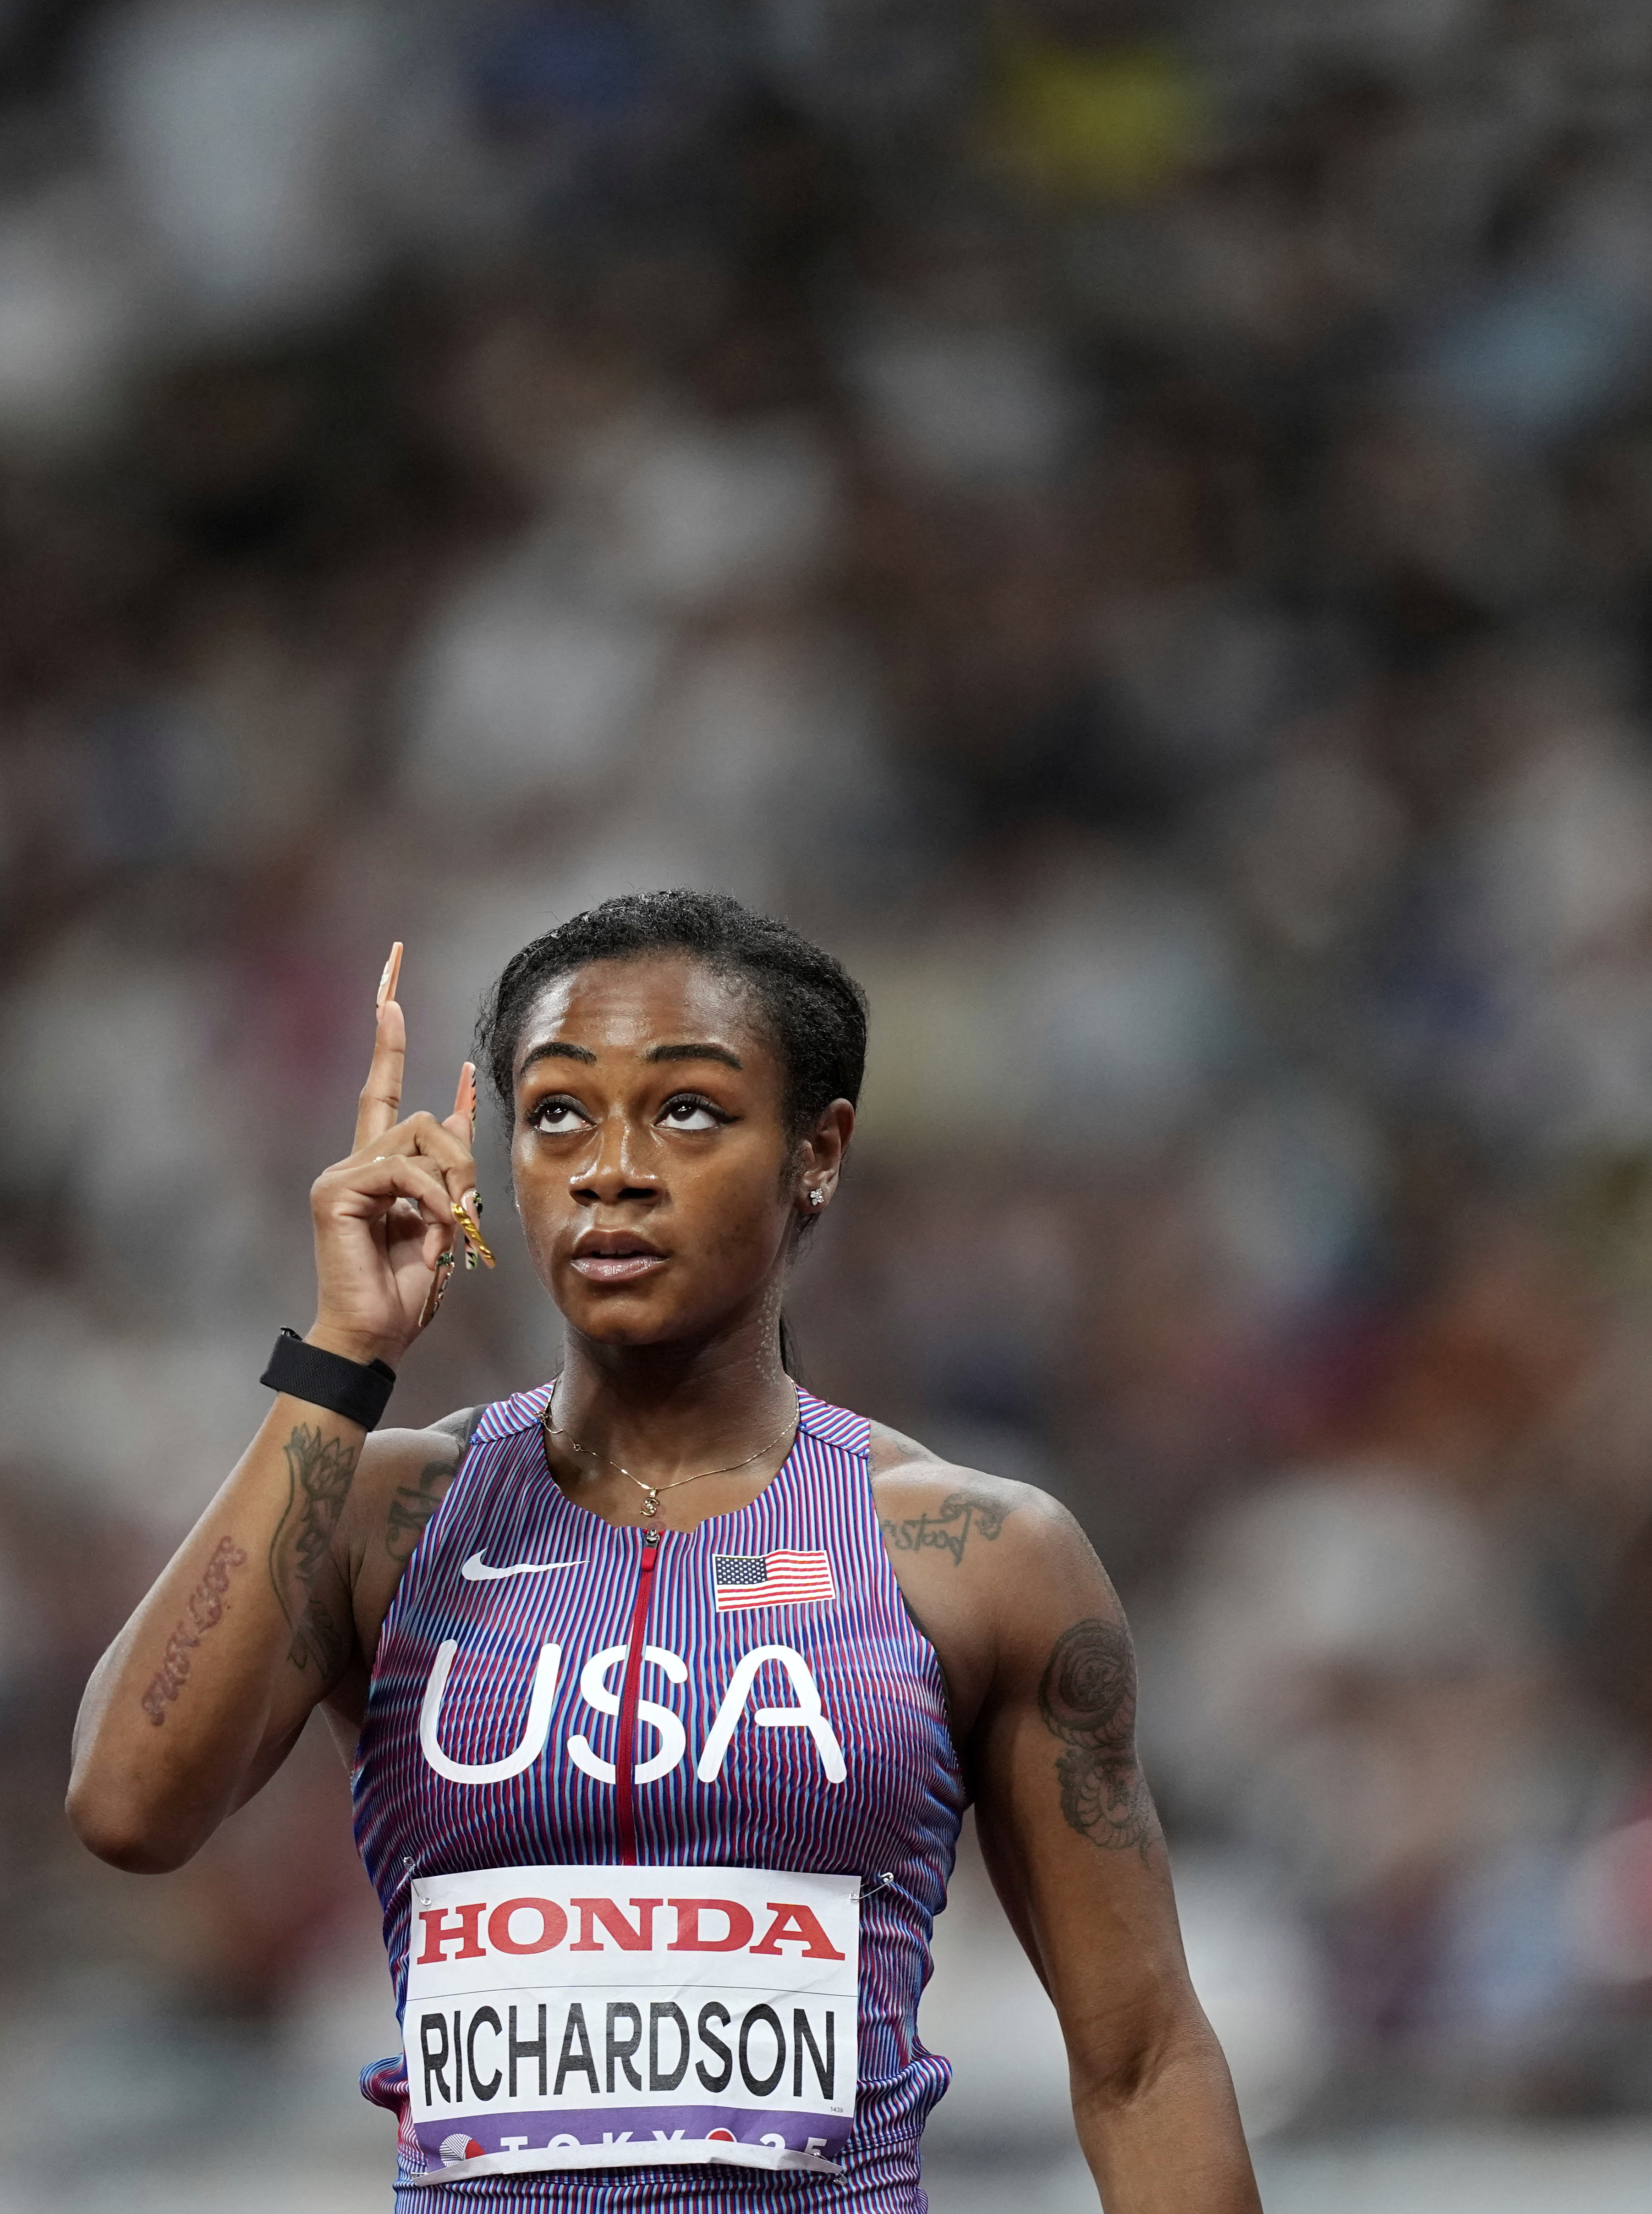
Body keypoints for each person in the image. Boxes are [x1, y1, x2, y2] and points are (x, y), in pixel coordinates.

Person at [68, 891, 1259, 2211]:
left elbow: (1143, 2062)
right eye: (557, 1112)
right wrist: (343, 1357)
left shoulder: (973, 1556)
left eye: (687, 1109)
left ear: (818, 1152)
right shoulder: (385, 1517)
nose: (610, 1168)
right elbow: (129, 1808)